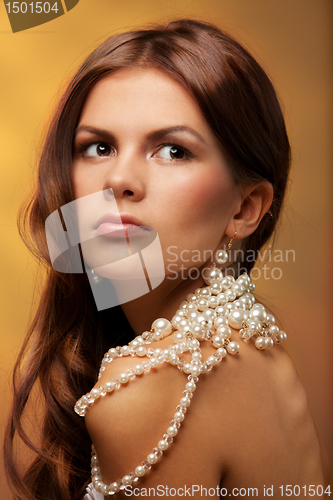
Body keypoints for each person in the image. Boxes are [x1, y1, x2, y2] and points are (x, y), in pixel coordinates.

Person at [4, 19, 329, 500]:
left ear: (245, 209)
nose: (119, 179)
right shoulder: (253, 348)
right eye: (98, 147)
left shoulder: (154, 382)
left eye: (173, 150)